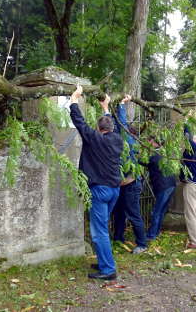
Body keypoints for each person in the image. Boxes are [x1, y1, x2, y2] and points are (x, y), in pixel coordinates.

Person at [69, 86, 123, 280]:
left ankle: (108, 270)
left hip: (99, 191)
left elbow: (80, 123)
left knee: (99, 231)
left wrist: (74, 100)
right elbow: (113, 124)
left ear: (99, 129)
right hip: (114, 191)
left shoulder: (95, 139)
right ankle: (103, 261)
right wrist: (106, 107)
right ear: (110, 129)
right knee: (102, 228)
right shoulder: (117, 139)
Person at [112, 95, 148, 254]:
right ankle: (118, 237)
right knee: (119, 211)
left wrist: (121, 105)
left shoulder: (129, 142)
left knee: (133, 214)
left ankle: (142, 244)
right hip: (122, 184)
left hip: (131, 185)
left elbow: (122, 123)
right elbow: (116, 124)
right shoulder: (121, 142)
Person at [141, 138, 177, 242]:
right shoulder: (164, 152)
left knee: (156, 211)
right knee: (161, 210)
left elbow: (142, 161)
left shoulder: (154, 155)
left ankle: (151, 235)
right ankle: (156, 232)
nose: (148, 143)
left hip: (163, 186)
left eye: (150, 141)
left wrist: (135, 153)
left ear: (156, 143)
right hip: (171, 185)